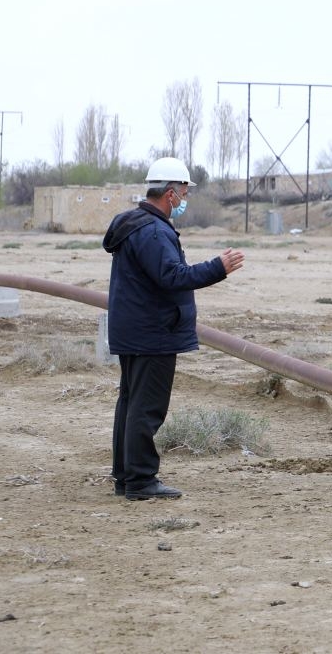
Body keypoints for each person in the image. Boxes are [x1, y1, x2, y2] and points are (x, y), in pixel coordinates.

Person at [104, 157, 246, 500]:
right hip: (153, 333)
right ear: (169, 193)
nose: (184, 199)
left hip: (136, 330)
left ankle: (126, 476)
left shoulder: (136, 225)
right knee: (146, 407)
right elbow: (172, 277)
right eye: (183, 192)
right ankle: (140, 480)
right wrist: (218, 267)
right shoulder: (153, 231)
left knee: (131, 403)